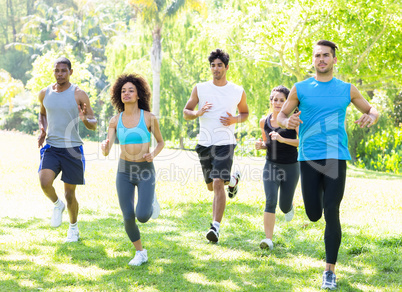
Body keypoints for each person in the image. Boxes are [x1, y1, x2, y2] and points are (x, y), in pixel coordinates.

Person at [277, 40, 379, 290]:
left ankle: (329, 271)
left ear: (334, 59)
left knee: (332, 210)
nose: (321, 59)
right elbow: (279, 116)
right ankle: (319, 195)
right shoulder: (300, 89)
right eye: (317, 56)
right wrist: (286, 122)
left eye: (325, 55)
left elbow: (372, 109)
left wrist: (371, 116)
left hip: (335, 156)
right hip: (309, 157)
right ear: (313, 60)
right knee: (314, 214)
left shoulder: (347, 89)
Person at [183, 48, 249, 243]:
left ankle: (215, 228)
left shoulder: (237, 90)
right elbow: (186, 111)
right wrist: (198, 113)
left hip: (225, 142)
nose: (216, 68)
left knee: (219, 182)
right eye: (213, 65)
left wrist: (234, 120)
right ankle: (233, 181)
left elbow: (245, 113)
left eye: (220, 65)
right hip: (204, 143)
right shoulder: (200, 88)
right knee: (212, 187)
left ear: (226, 67)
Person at [101, 73, 164, 266]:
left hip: (145, 171)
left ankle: (150, 199)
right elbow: (107, 149)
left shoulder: (149, 118)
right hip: (124, 172)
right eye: (123, 91)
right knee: (128, 216)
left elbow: (161, 143)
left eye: (131, 90)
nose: (126, 93)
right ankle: (140, 252)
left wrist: (153, 154)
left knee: (143, 216)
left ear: (139, 95)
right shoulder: (114, 120)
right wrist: (105, 147)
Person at [37, 57, 97, 243]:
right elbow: (42, 113)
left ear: (71, 72)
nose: (60, 74)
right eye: (57, 70)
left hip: (72, 149)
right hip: (52, 147)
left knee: (70, 195)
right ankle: (57, 205)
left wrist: (85, 119)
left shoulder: (79, 94)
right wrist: (43, 129)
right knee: (44, 181)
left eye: (64, 70)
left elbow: (93, 124)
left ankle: (73, 228)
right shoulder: (45, 93)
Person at [255, 85, 299, 251]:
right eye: (274, 99)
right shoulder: (264, 121)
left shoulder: (294, 120)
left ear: (288, 102)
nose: (277, 102)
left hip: (291, 167)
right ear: (271, 101)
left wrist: (283, 139)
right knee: (270, 200)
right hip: (271, 166)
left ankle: (289, 206)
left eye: (282, 100)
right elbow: (268, 142)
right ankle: (268, 239)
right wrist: (261, 145)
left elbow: (302, 142)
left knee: (284, 206)